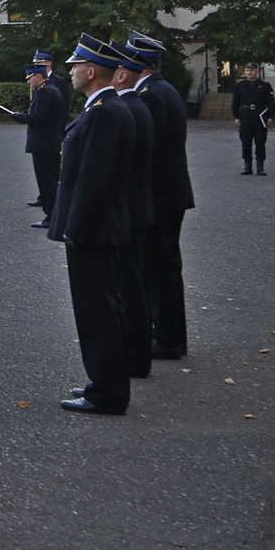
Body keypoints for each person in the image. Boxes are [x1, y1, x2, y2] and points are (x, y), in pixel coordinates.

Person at [50, 35, 136, 416]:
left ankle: (106, 392)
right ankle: (105, 381)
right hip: (101, 228)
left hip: (93, 231)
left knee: (96, 312)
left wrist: (76, 229)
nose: (69, 72)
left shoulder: (102, 112)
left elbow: (94, 180)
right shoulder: (105, 107)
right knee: (105, 309)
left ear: (90, 71)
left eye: (74, 66)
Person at [129, 31, 195, 362]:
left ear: (138, 63)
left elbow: (148, 152)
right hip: (170, 192)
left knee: (159, 268)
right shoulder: (163, 89)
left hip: (159, 195)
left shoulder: (152, 95)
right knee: (166, 266)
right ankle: (173, 336)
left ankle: (167, 337)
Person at [111, 46, 157, 381]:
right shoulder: (136, 104)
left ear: (122, 74)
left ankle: (133, 357)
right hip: (137, 206)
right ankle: (136, 355)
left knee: (129, 288)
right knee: (135, 285)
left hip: (127, 209)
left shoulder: (125, 107)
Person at [8, 65, 66, 230]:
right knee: (51, 181)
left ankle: (51, 216)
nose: (28, 81)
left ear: (38, 77)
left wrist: (19, 117)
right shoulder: (51, 89)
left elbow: (39, 117)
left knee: (47, 183)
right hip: (49, 142)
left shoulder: (44, 92)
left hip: (43, 143)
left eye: (30, 78)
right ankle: (54, 214)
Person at [231, 62, 275, 175]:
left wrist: (270, 116)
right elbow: (235, 103)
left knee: (260, 142)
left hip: (260, 116)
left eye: (251, 70)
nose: (249, 72)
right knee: (246, 142)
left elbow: (270, 102)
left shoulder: (265, 85)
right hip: (245, 116)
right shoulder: (240, 86)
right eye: (247, 70)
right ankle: (247, 167)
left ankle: (260, 167)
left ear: (256, 71)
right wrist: (236, 117)